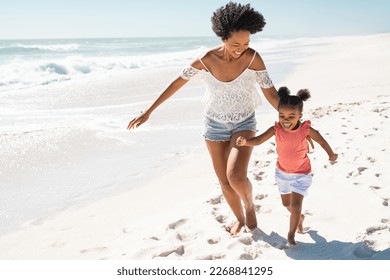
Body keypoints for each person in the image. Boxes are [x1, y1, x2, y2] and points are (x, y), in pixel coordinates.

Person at [127, 2, 279, 236]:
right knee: (225, 182)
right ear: (222, 37)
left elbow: (270, 92)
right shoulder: (207, 59)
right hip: (214, 124)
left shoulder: (253, 58)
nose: (242, 48)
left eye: (247, 43)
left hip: (244, 122)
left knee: (236, 176)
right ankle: (239, 218)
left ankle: (249, 207)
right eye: (236, 44)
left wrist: (292, 119)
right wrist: (149, 111)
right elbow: (177, 82)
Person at [236, 86, 338, 246]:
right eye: (282, 115)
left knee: (296, 206)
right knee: (286, 204)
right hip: (282, 173)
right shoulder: (276, 129)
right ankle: (299, 217)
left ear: (300, 116)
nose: (286, 119)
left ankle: (291, 234)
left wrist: (331, 155)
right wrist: (246, 142)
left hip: (302, 174)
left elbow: (322, 140)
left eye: (291, 116)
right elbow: (258, 140)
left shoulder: (306, 129)